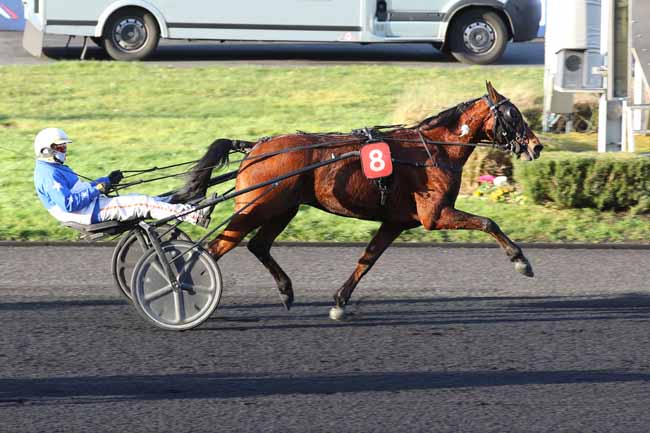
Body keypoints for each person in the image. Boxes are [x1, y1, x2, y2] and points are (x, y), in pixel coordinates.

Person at [33, 128, 211, 227]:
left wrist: (107, 180)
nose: (65, 150)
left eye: (65, 147)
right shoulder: (49, 174)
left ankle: (185, 206)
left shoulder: (53, 167)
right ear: (47, 149)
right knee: (143, 204)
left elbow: (81, 189)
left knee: (148, 200)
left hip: (90, 207)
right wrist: (97, 189)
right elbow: (68, 204)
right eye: (61, 147)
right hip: (86, 212)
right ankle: (194, 216)